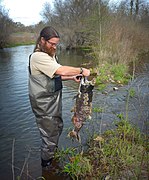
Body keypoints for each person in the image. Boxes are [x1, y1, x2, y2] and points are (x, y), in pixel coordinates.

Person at [28, 26, 90, 169]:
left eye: (56, 44)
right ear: (42, 40)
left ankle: (52, 156)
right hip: (43, 103)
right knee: (49, 136)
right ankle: (47, 167)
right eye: (52, 43)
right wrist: (81, 70)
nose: (55, 47)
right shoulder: (38, 56)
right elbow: (59, 70)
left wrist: (72, 76)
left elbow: (56, 75)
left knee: (57, 128)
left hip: (53, 99)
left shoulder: (50, 55)